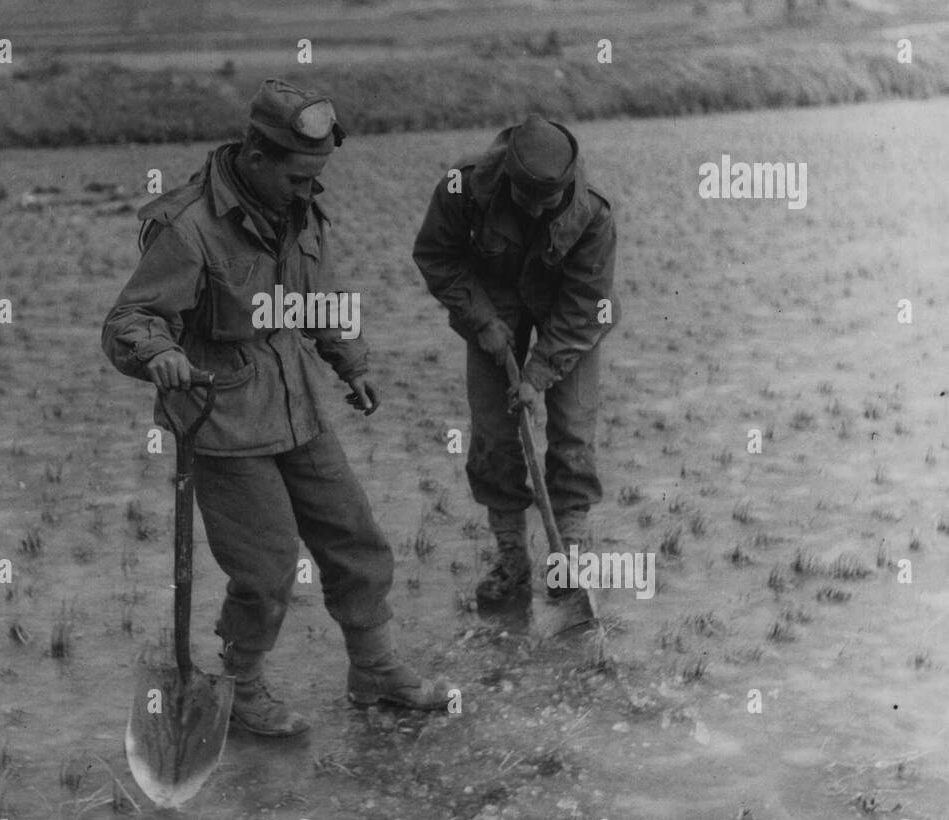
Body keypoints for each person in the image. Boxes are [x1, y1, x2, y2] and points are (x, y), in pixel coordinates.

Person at [103, 79, 450, 735]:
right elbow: (132, 317)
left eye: (314, 178)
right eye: (297, 177)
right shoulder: (187, 228)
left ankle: (374, 669)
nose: (307, 191)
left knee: (356, 540)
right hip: (221, 419)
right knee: (264, 568)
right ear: (256, 156)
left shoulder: (296, 208)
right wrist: (158, 355)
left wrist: (351, 361)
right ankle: (240, 687)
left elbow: (316, 297)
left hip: (296, 406)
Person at [412, 113, 618, 630]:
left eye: (546, 203)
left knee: (572, 432)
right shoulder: (462, 189)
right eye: (525, 199)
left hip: (566, 319)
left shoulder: (591, 214)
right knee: (493, 436)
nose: (536, 209)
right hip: (492, 308)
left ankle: (569, 553)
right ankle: (510, 559)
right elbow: (437, 256)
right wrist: (482, 321)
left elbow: (585, 304)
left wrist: (538, 374)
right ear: (508, 179)